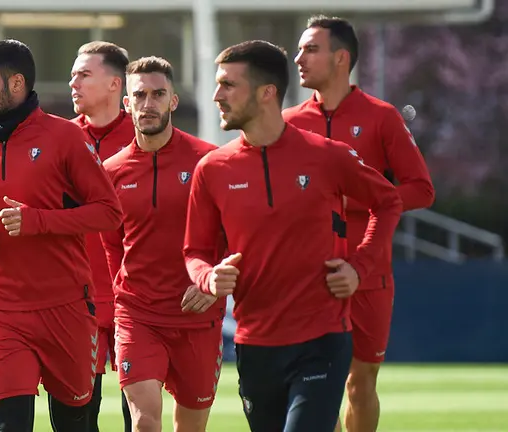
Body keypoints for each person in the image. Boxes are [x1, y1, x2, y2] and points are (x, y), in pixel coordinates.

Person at [183, 40, 404, 432]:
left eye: (228, 85)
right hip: (254, 347)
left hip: (322, 339)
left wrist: (361, 267)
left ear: (267, 92)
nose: (216, 95)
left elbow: (387, 203)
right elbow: (195, 251)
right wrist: (208, 277)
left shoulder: (327, 155)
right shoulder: (211, 169)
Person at [0, 39, 123, 432]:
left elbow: (108, 212)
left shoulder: (64, 138)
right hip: (0, 312)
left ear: (15, 84)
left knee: (74, 425)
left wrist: (38, 221)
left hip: (65, 308)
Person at [284, 15, 435, 432]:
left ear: (341, 58)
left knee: (359, 384)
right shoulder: (290, 122)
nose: (298, 58)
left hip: (367, 272)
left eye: (310, 49)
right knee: (312, 383)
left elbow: (421, 188)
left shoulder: (382, 117)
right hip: (305, 276)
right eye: (299, 49)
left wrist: (360, 200)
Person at [100, 56, 222, 432]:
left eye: (158, 95)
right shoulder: (111, 171)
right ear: (126, 104)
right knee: (144, 421)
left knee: (190, 425)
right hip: (138, 315)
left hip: (197, 315)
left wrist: (212, 282)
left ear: (173, 101)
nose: (148, 103)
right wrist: (122, 301)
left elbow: (237, 235)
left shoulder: (209, 161)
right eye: (139, 95)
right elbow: (112, 248)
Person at [69, 40, 135, 432]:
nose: (72, 82)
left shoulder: (145, 137)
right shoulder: (59, 139)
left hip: (135, 298)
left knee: (139, 412)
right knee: (81, 413)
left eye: (83, 74)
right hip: (78, 298)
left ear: (115, 84)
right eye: (73, 74)